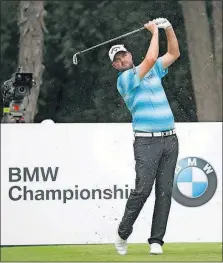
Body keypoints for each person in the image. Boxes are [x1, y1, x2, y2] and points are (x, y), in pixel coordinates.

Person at [108, 18, 180, 255]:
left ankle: (156, 240)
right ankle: (122, 232)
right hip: (146, 141)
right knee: (143, 190)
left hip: (170, 139)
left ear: (129, 55)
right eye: (117, 60)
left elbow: (174, 53)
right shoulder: (125, 80)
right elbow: (150, 59)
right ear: (116, 67)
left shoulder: (153, 70)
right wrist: (153, 33)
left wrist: (168, 28)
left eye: (124, 55)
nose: (122, 60)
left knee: (165, 191)